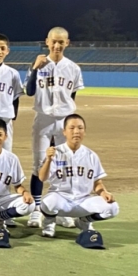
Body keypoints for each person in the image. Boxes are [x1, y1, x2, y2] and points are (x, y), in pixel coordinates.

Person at [24, 26, 84, 228]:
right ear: (47, 42)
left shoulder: (73, 68)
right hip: (43, 119)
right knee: (39, 163)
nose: (57, 45)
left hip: (64, 121)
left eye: (61, 42)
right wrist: (35, 68)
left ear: (67, 43)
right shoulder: (39, 64)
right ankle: (36, 210)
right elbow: (30, 91)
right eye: (54, 41)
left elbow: (72, 96)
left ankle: (59, 209)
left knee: (64, 165)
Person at [38, 113, 119, 238]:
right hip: (61, 200)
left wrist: (104, 193)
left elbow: (97, 182)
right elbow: (42, 178)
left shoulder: (91, 155)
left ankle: (84, 221)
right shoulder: (55, 152)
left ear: (84, 132)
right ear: (64, 132)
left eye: (80, 128)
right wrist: (48, 160)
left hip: (83, 202)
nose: (76, 131)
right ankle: (49, 223)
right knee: (48, 202)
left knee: (113, 208)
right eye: (72, 128)